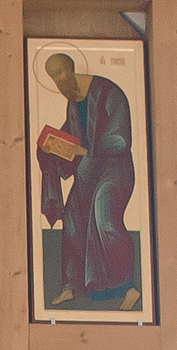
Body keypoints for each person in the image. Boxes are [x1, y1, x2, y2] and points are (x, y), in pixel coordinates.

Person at [35, 52, 138, 310]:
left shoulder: (108, 91)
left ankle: (129, 287)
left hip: (114, 170)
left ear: (70, 68)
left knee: (104, 217)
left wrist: (85, 150)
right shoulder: (73, 100)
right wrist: (52, 147)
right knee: (72, 220)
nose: (58, 82)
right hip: (87, 171)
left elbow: (120, 138)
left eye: (59, 73)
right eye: (53, 77)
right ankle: (71, 287)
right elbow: (73, 133)